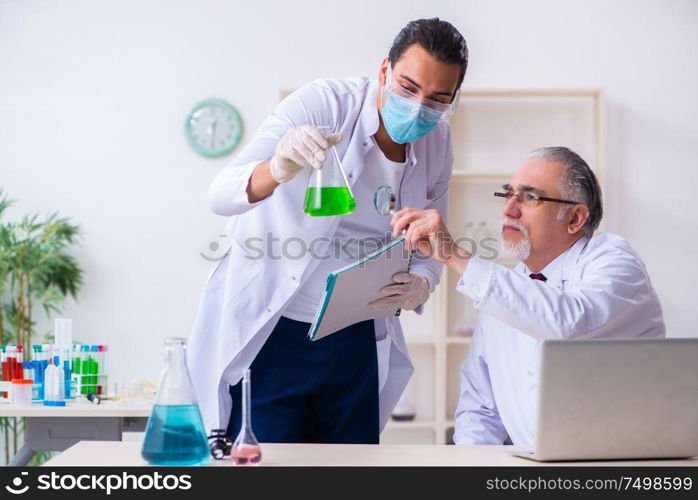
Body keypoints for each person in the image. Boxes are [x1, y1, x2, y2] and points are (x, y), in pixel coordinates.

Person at [187, 18, 468, 444]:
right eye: (408, 88)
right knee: (268, 464)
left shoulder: (438, 141)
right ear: (383, 72)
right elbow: (220, 195)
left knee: (350, 469)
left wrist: (422, 282)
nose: (418, 107)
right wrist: (277, 168)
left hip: (355, 332)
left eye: (437, 100)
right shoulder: (324, 104)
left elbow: (430, 237)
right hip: (277, 329)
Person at [388, 146, 666, 446]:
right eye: (509, 194)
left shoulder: (613, 259)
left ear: (575, 218)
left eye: (530, 197)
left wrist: (456, 256)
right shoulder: (507, 290)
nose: (509, 209)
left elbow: (570, 322)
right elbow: (480, 409)